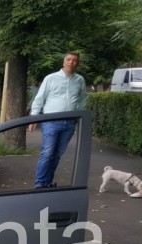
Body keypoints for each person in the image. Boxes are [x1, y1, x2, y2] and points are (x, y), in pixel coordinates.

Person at [29, 51, 88, 188]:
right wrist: (34, 117)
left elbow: (83, 98)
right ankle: (40, 185)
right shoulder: (51, 78)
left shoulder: (80, 80)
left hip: (69, 123)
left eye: (74, 60)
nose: (71, 62)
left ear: (77, 63)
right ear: (63, 62)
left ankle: (47, 182)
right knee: (47, 153)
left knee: (57, 154)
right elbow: (40, 98)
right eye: (68, 59)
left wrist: (79, 114)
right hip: (51, 121)